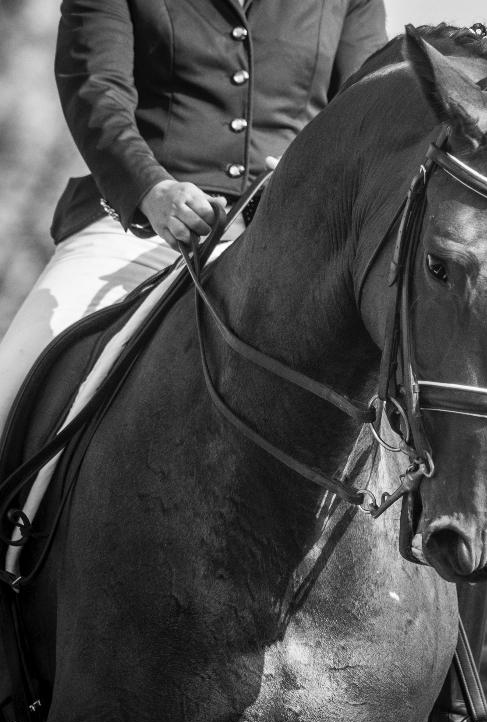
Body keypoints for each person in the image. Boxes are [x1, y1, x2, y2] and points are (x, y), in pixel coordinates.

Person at [0, 0, 387, 437]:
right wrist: (151, 188)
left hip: (288, 237)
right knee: (15, 375)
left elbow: (366, 105)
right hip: (137, 229)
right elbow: (96, 88)